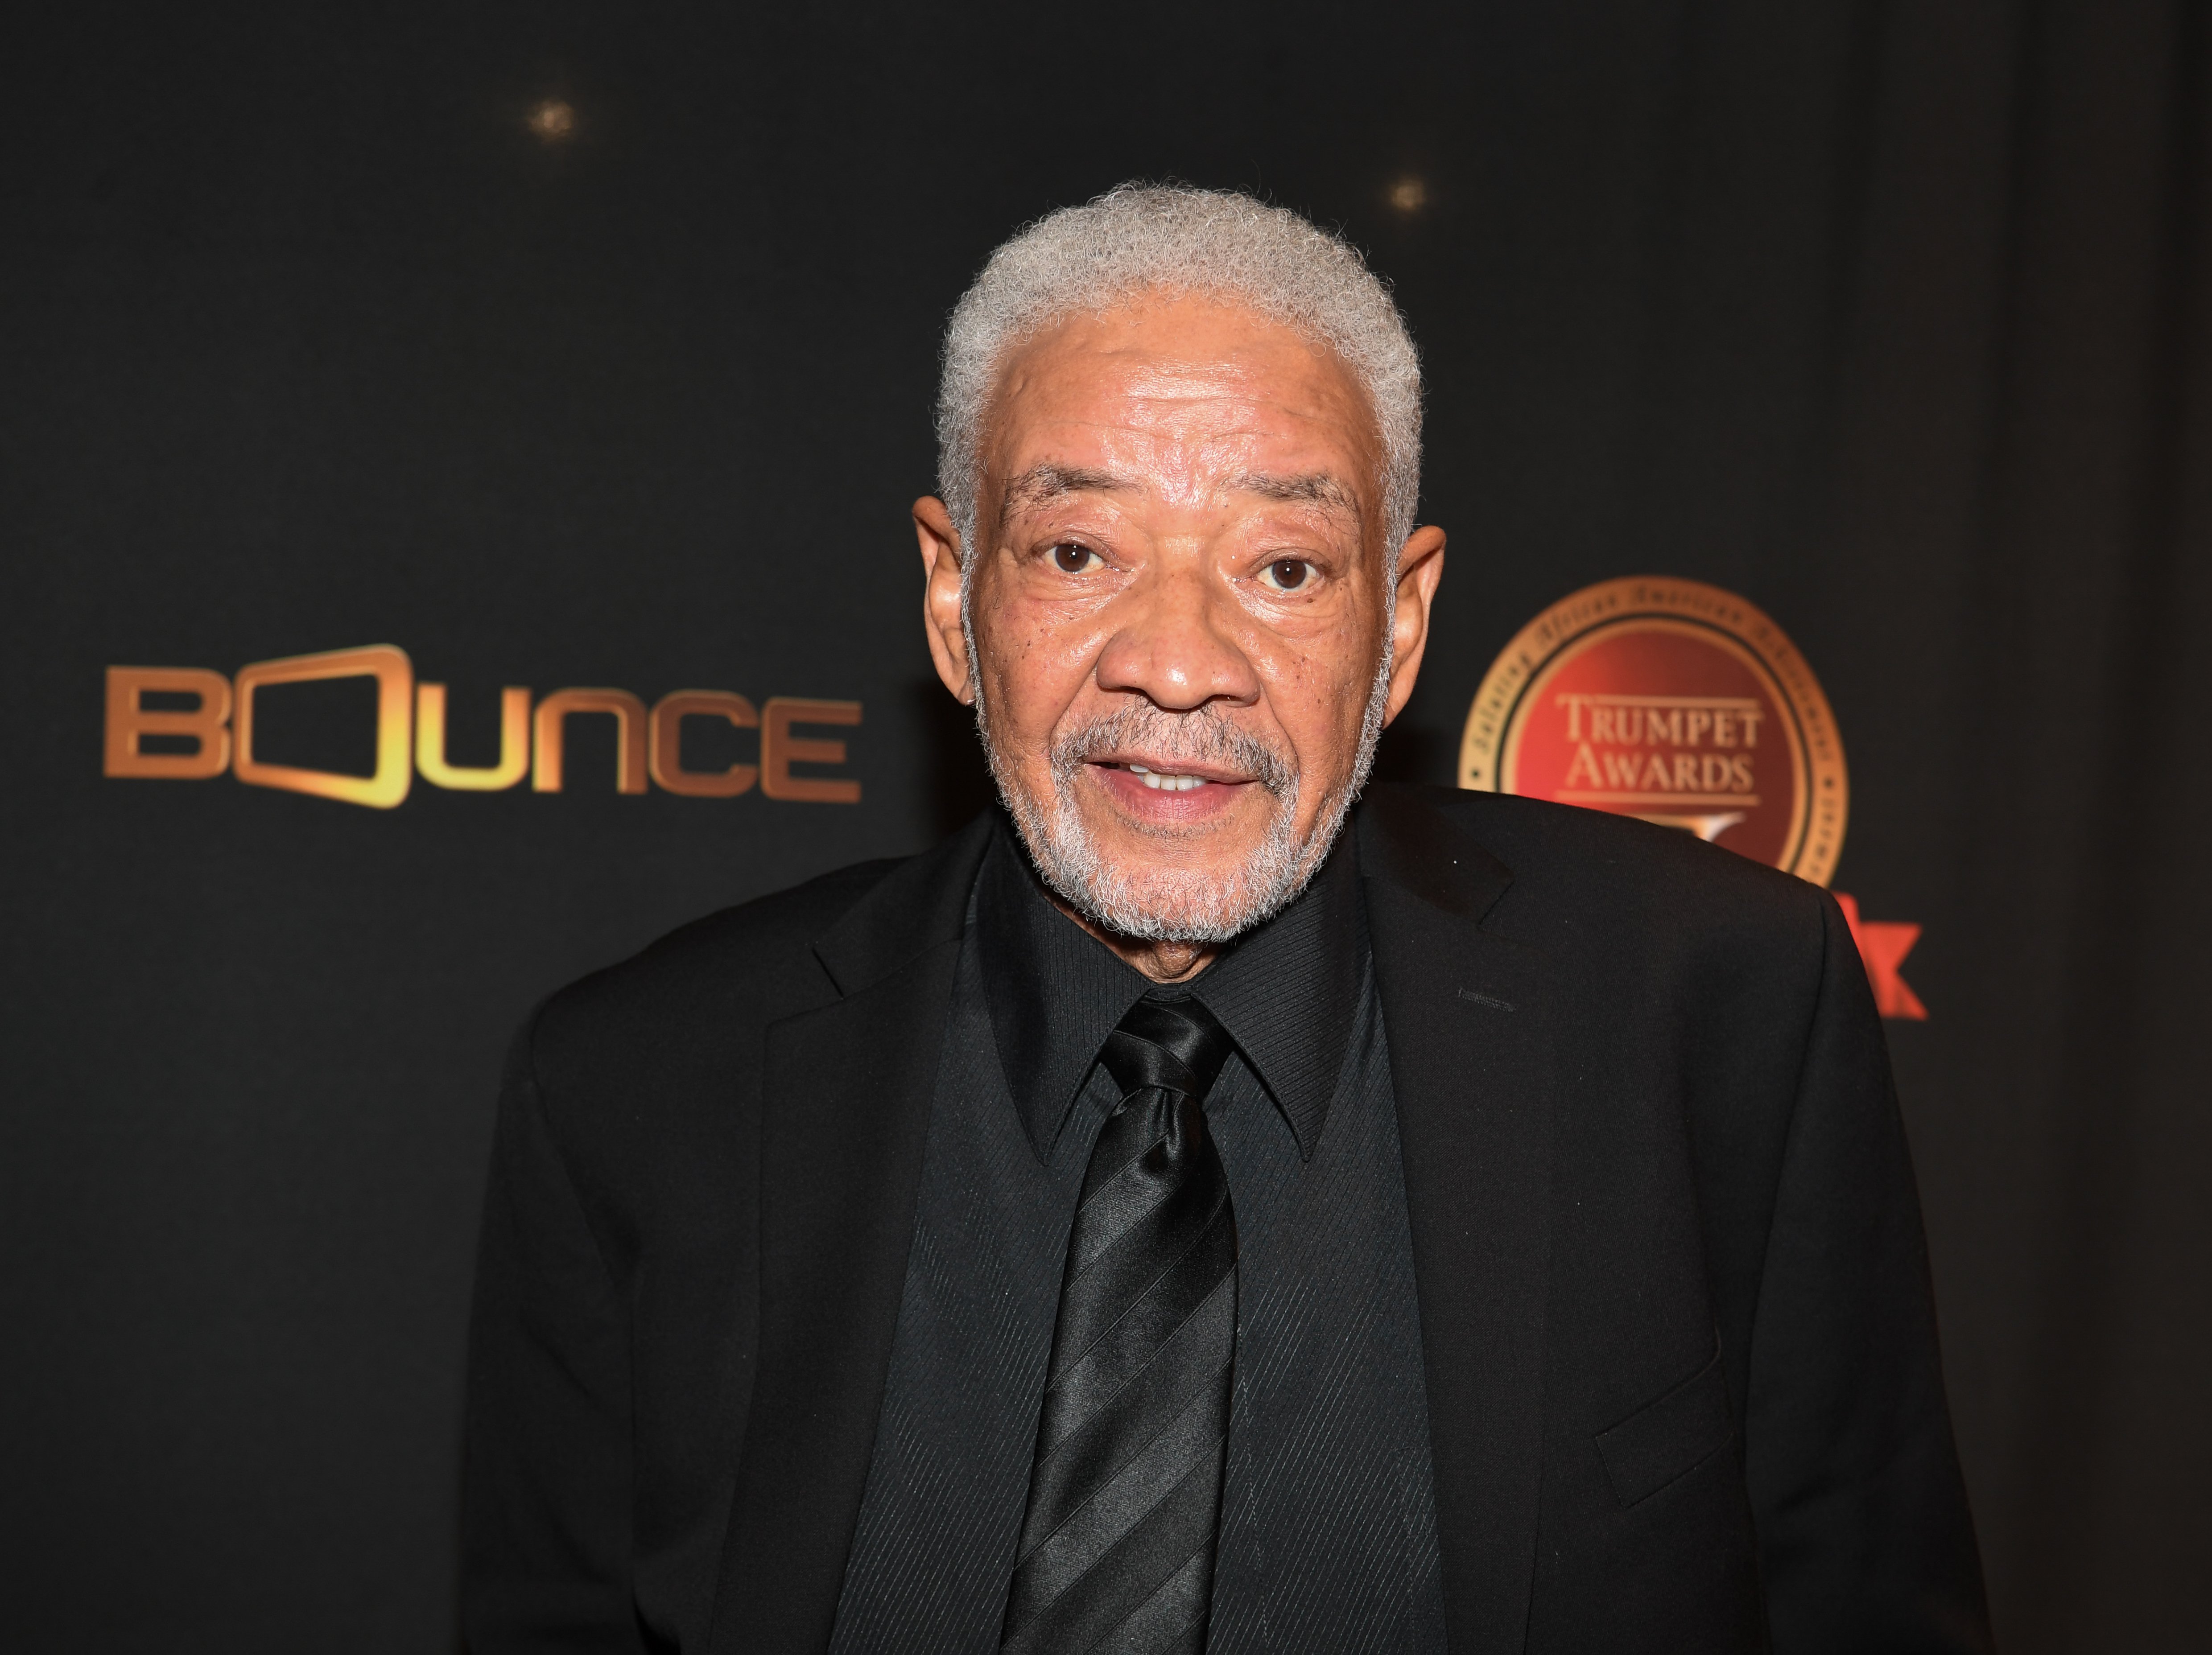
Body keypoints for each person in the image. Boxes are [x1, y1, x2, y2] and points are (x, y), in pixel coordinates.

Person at [459, 183, 1991, 1655]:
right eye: (1079, 552)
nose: (1180, 664)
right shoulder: (638, 1086)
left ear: (1399, 631)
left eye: (1283, 566)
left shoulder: (1718, 1016)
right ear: (953, 599)